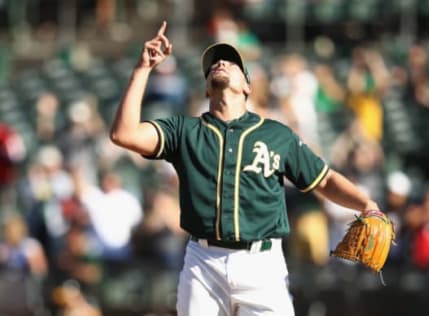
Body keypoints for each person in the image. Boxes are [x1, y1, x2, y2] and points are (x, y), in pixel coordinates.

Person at [110, 21, 381, 316]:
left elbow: (324, 180)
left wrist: (365, 203)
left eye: (231, 62)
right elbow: (124, 135)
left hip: (262, 264)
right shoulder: (184, 131)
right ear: (205, 87)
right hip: (203, 261)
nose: (220, 63)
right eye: (214, 63)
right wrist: (142, 70)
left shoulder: (277, 135)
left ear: (247, 85)